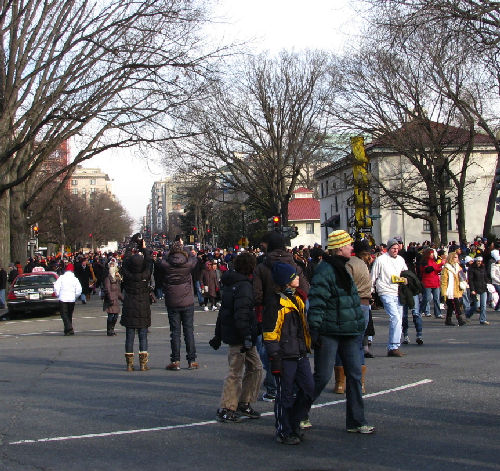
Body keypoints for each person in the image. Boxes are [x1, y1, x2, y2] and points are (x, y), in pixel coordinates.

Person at [308, 230, 374, 434]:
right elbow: (317, 303)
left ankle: (356, 420)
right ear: (339, 248)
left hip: (349, 330)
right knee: (322, 376)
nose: (351, 248)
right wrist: (315, 331)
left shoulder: (345, 268)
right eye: (347, 245)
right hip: (330, 330)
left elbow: (351, 301)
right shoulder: (325, 270)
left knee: (354, 375)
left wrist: (358, 326)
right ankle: (299, 411)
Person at [253, 231, 310, 403]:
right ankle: (290, 387)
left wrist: (268, 301)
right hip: (293, 311)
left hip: (269, 312)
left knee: (270, 351)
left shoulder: (262, 267)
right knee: (293, 350)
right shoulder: (294, 264)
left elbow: (256, 295)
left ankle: (273, 387)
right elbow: (306, 289)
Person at [263, 262, 314, 445]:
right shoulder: (276, 303)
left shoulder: (297, 299)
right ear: (286, 281)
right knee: (285, 394)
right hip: (285, 355)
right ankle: (284, 430)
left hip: (299, 352)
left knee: (308, 389)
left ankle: (295, 421)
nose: (298, 278)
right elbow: (270, 333)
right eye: (294, 276)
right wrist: (275, 358)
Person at [210, 252, 263, 423]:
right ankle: (226, 407)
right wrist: (246, 335)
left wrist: (218, 336)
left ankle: (243, 402)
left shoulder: (230, 284)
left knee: (255, 368)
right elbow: (242, 314)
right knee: (236, 372)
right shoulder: (243, 286)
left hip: (237, 333)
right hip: (241, 335)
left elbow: (224, 313)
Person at [160, 241, 198, 370]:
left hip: (172, 300)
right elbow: (194, 258)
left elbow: (163, 258)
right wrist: (187, 250)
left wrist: (168, 253)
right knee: (189, 331)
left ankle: (175, 360)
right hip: (187, 299)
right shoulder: (188, 265)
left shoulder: (166, 264)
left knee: (175, 332)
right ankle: (191, 360)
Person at [120, 234, 153, 371]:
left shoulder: (127, 274)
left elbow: (125, 260)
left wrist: (131, 244)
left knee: (129, 336)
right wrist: (144, 248)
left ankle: (129, 363)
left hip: (129, 304)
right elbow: (149, 262)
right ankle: (143, 363)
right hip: (143, 304)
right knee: (143, 336)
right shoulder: (145, 275)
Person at [371, 238, 408, 357]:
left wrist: (406, 279)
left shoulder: (401, 260)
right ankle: (393, 346)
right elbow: (373, 276)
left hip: (398, 292)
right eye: (393, 248)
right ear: (388, 248)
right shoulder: (381, 260)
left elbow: (405, 273)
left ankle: (394, 346)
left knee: (399, 319)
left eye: (397, 249)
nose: (395, 250)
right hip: (385, 291)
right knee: (395, 317)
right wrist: (371, 291)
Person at [53, 263, 82, 335]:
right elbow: (79, 290)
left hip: (63, 298)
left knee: (64, 314)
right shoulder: (75, 279)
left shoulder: (61, 278)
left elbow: (56, 287)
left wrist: (58, 294)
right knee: (69, 314)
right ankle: (68, 330)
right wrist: (75, 296)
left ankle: (68, 328)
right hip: (71, 299)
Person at [440, 252, 467, 326]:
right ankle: (460, 319)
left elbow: (462, 277)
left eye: (457, 257)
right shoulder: (446, 268)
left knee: (451, 306)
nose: (457, 259)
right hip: (450, 290)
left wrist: (464, 283)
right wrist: (444, 292)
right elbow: (444, 281)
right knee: (456, 305)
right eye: (455, 257)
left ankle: (448, 320)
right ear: (451, 258)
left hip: (458, 289)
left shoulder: (458, 267)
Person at [419, 248, 443, 318]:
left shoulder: (434, 261)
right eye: (431, 253)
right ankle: (421, 310)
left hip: (435, 282)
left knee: (436, 298)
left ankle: (438, 313)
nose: (432, 255)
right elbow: (428, 270)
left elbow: (436, 269)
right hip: (427, 282)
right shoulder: (424, 262)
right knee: (427, 298)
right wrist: (440, 265)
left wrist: (440, 267)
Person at [466, 256, 489, 325]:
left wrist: (487, 284)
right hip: (475, 290)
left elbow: (485, 277)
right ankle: (468, 314)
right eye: (478, 261)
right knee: (476, 306)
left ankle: (482, 320)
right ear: (475, 261)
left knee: (483, 305)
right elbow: (470, 280)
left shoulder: (483, 268)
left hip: (483, 289)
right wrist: (472, 289)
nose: (479, 262)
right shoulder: (471, 269)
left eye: (480, 261)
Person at [103, 258, 123, 336]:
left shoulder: (117, 280)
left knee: (115, 316)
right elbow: (107, 289)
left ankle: (112, 329)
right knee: (111, 315)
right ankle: (109, 330)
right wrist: (110, 298)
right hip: (110, 300)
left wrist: (123, 299)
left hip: (116, 300)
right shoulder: (108, 279)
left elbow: (118, 291)